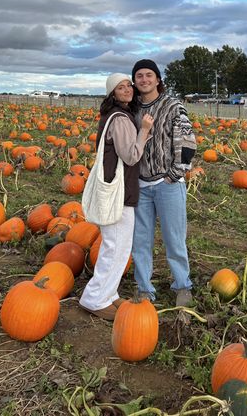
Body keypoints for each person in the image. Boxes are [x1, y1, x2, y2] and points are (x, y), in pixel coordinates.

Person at [79, 73, 154, 321]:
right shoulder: (120, 119)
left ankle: (108, 294)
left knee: (119, 247)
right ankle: (94, 298)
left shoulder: (111, 115)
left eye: (127, 86)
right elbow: (131, 156)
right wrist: (144, 132)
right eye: (120, 88)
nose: (127, 90)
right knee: (116, 247)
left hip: (117, 190)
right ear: (112, 93)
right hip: (118, 192)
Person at [131, 59, 196, 307]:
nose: (144, 80)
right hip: (140, 185)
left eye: (149, 75)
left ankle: (182, 285)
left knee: (174, 239)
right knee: (140, 240)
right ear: (135, 81)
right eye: (139, 76)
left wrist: (175, 173)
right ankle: (145, 289)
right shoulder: (133, 109)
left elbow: (187, 140)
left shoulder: (172, 106)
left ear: (158, 79)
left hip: (168, 184)